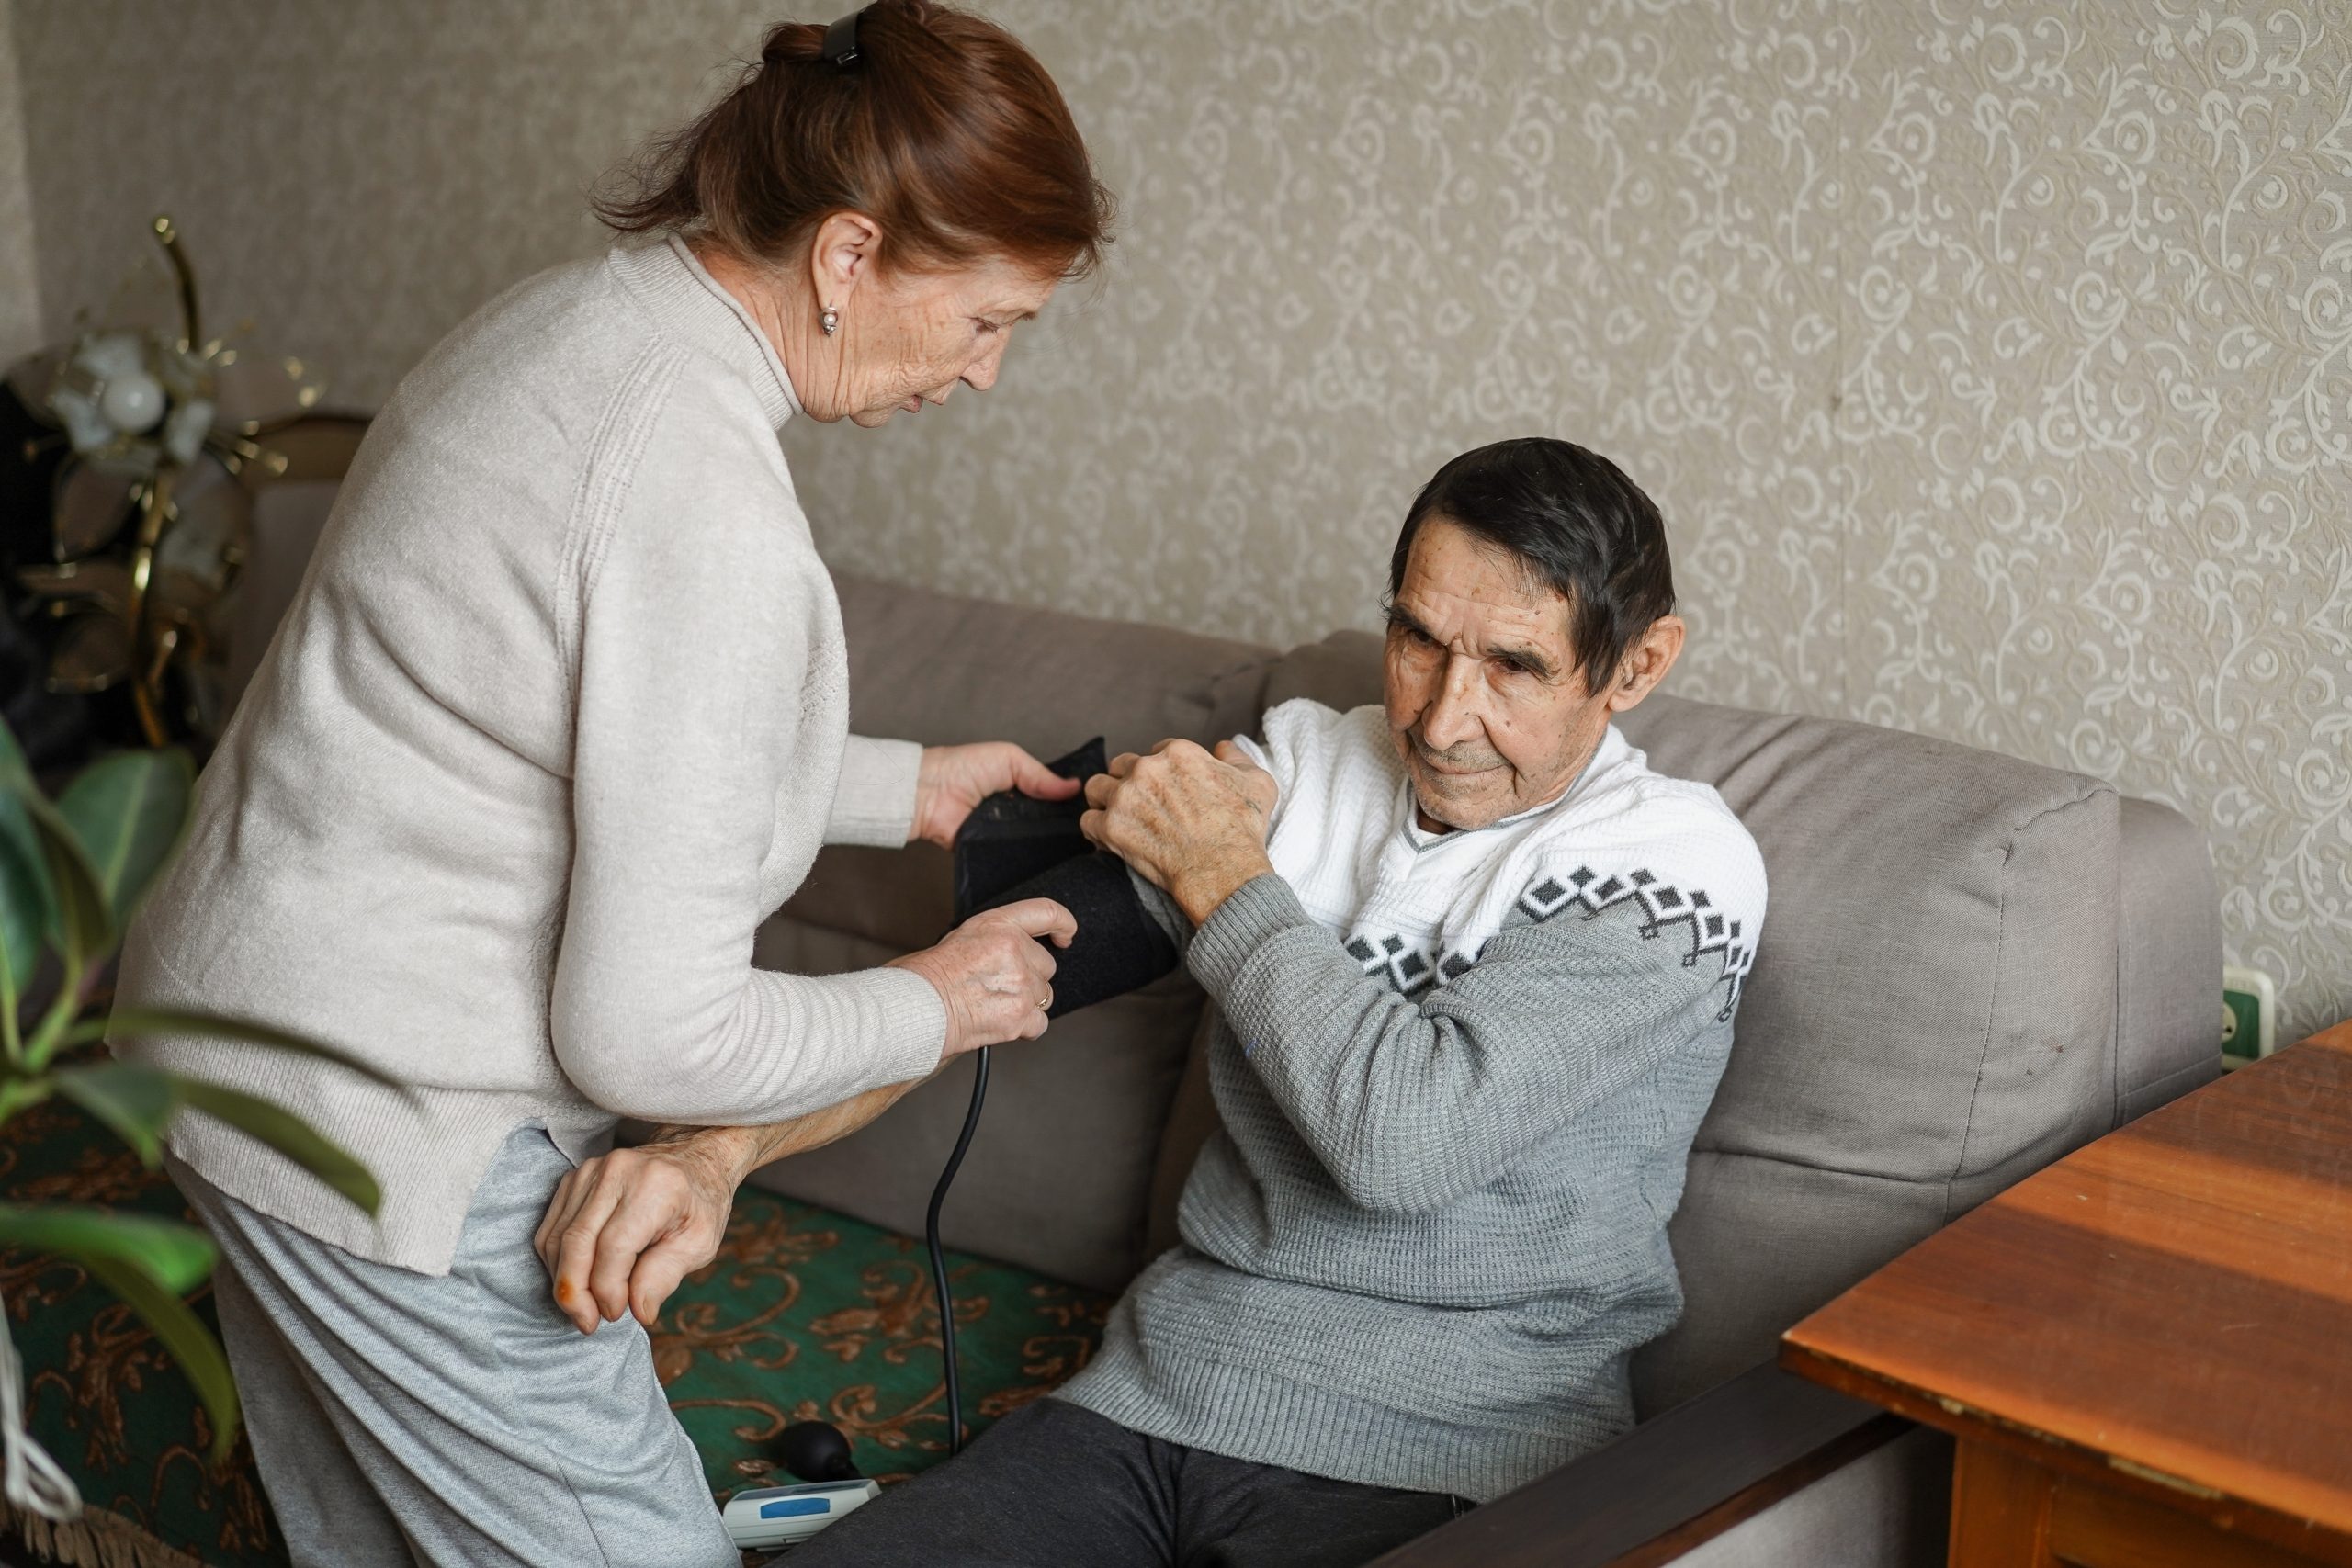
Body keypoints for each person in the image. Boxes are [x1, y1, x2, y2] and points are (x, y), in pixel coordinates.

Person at [107, 6, 1114, 1565]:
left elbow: (552, 716)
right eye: (990, 321)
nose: (985, 374)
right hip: (383, 1115)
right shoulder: (706, 503)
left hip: (230, 1042)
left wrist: (910, 788)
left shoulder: (583, 323)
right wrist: (943, 996)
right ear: (850, 257)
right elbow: (650, 1034)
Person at [572, 437, 1770, 1568]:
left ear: (1639, 664)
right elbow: (987, 982)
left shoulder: (1673, 870)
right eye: (1416, 640)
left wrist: (1224, 875)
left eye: (1514, 667)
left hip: (1460, 1453)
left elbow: (1407, 1140)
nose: (1443, 719)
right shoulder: (1305, 767)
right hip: (1151, 1403)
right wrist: (719, 1150)